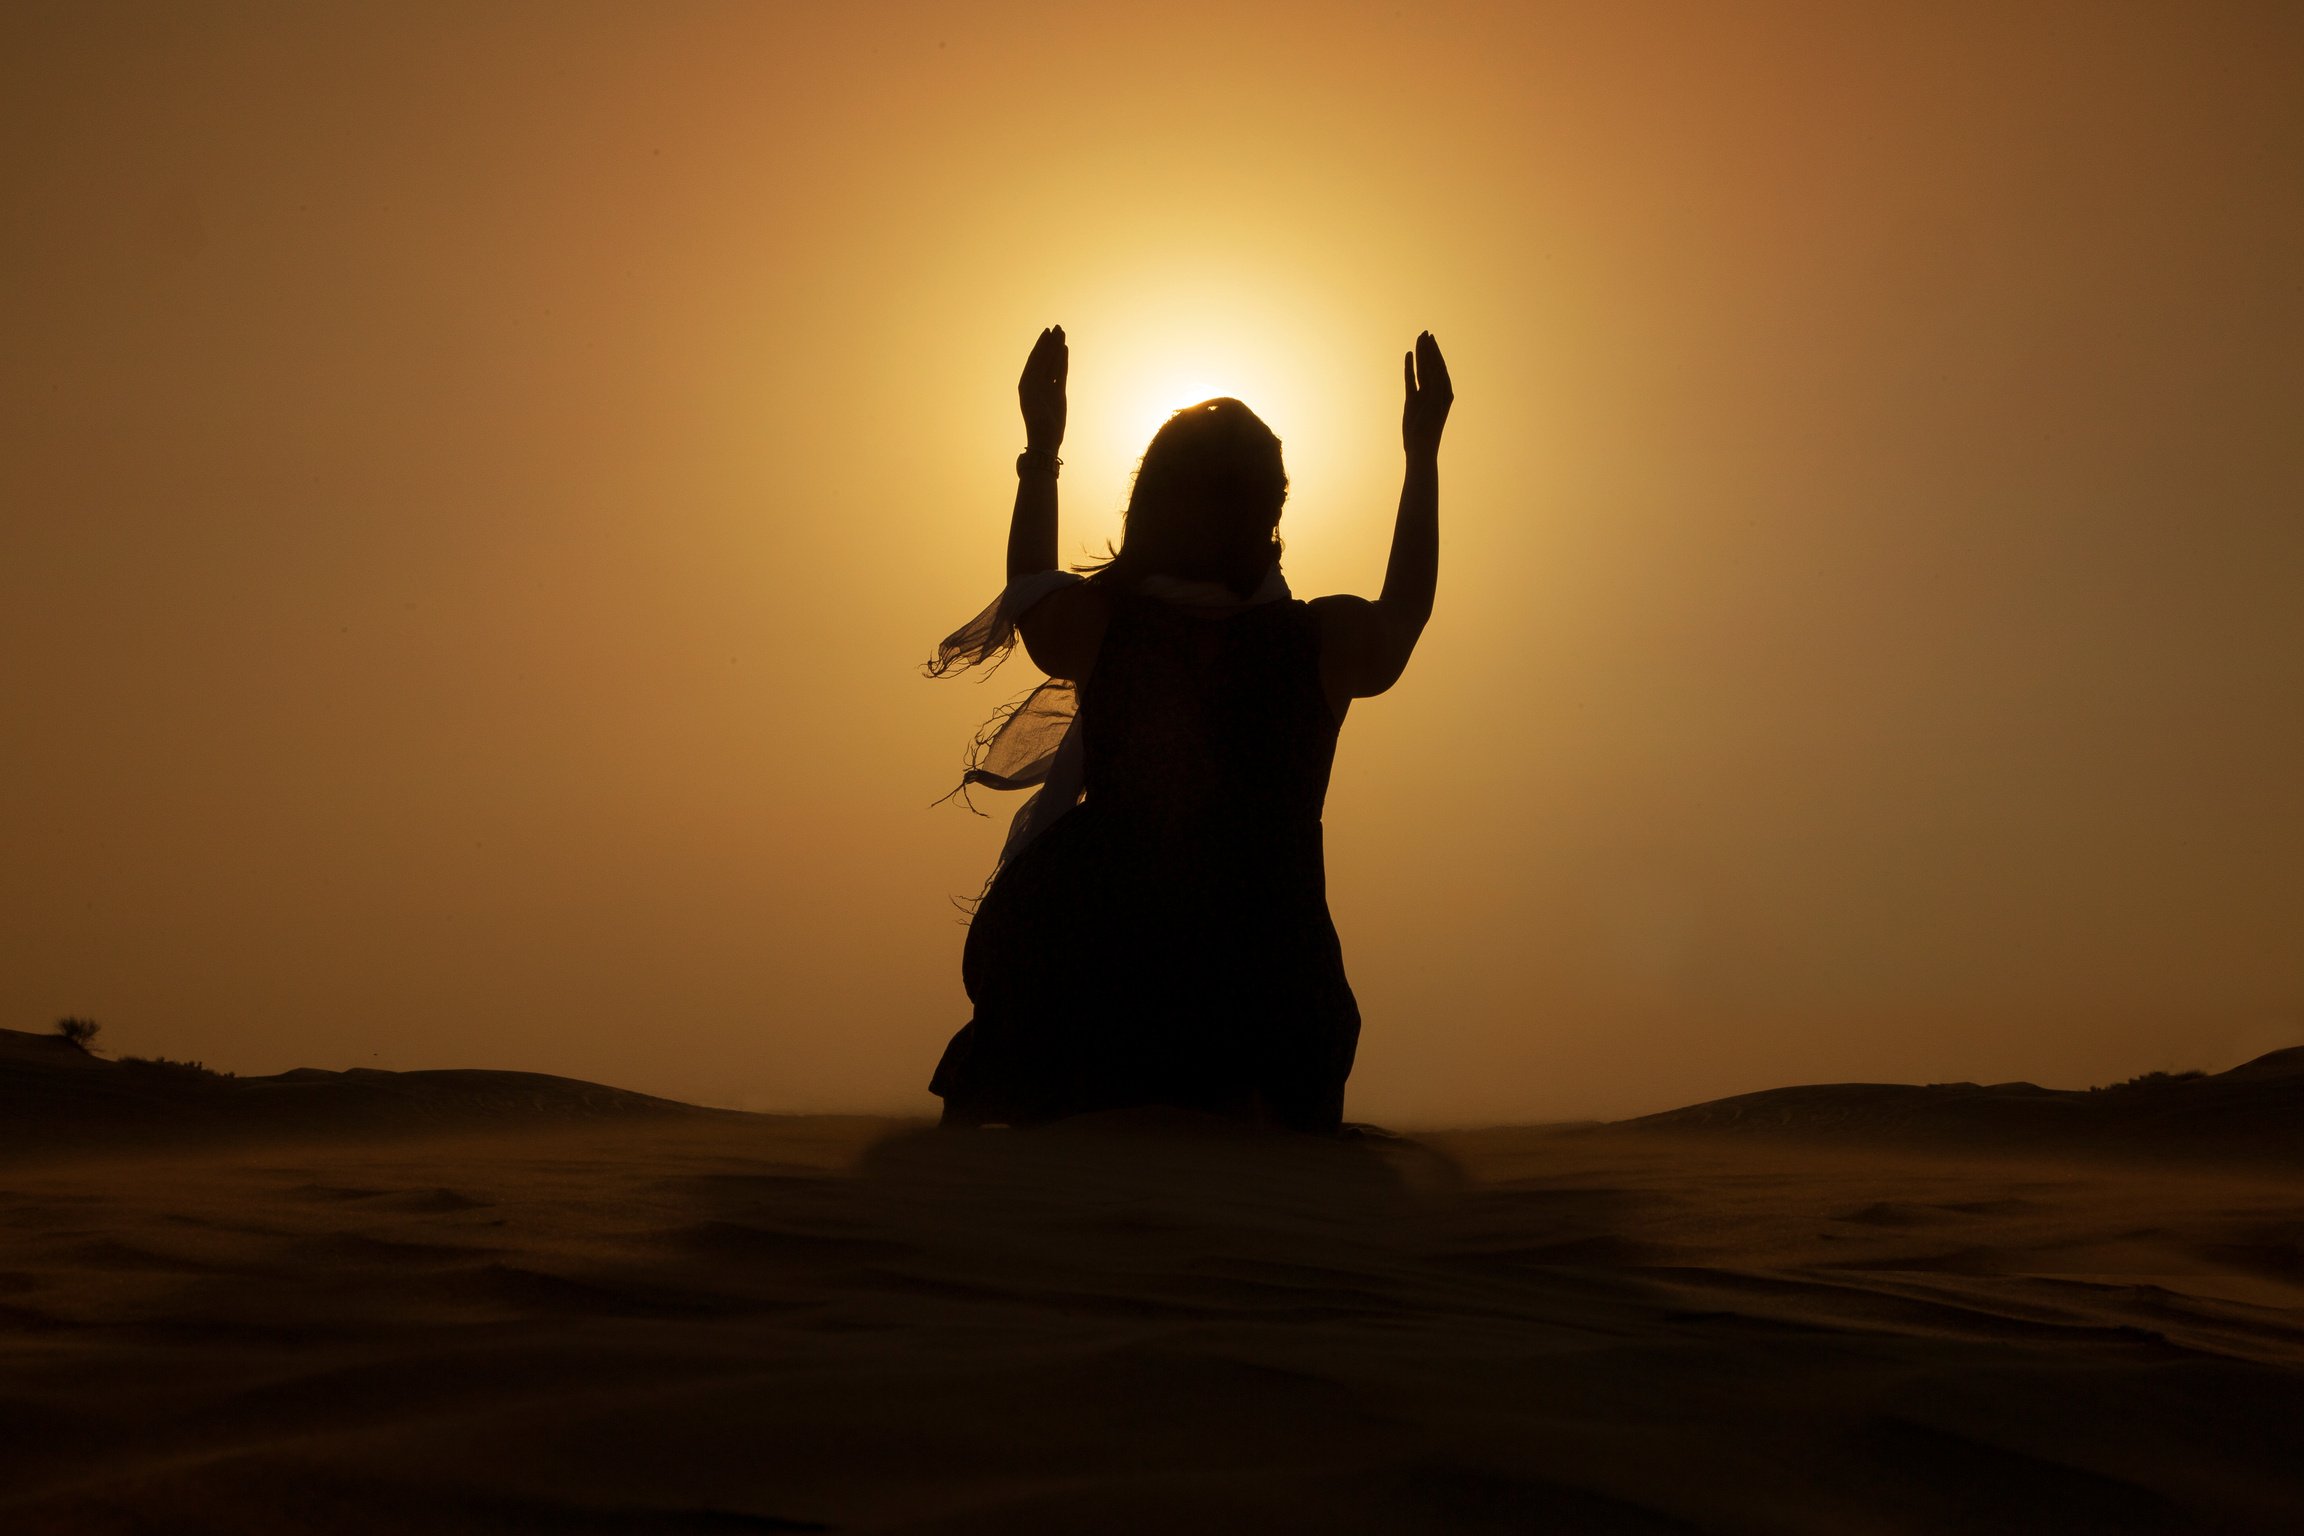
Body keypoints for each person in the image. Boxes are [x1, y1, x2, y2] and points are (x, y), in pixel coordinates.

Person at [926, 325, 1452, 1133]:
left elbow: (1029, 585)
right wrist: (1422, 459)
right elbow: (1406, 609)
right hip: (1273, 1000)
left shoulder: (1104, 625)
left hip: (1095, 981)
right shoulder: (1322, 644)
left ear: (1151, 503)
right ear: (1269, 513)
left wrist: (1041, 449)